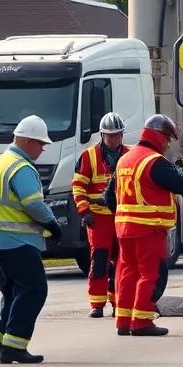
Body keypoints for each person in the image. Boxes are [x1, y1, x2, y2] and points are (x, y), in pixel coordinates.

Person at [104, 115, 183, 337]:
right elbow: (180, 184)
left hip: (125, 229)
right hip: (149, 229)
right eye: (167, 140)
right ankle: (142, 321)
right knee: (150, 274)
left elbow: (109, 196)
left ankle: (124, 321)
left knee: (127, 273)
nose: (167, 145)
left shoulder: (125, 159)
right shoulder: (153, 161)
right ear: (158, 137)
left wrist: (124, 215)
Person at [0, 115, 64, 364]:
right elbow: (34, 204)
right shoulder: (21, 167)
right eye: (40, 143)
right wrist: (52, 224)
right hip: (16, 241)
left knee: (13, 291)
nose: (42, 149)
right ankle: (15, 345)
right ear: (26, 141)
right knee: (34, 290)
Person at [73, 112, 127, 318]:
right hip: (98, 217)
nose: (113, 139)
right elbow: (78, 187)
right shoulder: (88, 156)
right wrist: (84, 211)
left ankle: (118, 303)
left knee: (122, 262)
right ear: (102, 135)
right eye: (109, 135)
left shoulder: (129, 155)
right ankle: (97, 304)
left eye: (116, 135)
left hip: (122, 217)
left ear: (122, 135)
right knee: (99, 259)